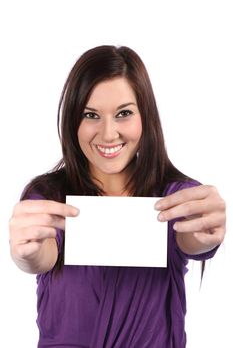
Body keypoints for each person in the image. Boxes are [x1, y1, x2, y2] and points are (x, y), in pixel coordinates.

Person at [9, 45, 226, 348]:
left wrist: (207, 236)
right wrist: (26, 254)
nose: (109, 133)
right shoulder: (49, 196)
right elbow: (42, 256)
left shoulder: (176, 196)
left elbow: (191, 239)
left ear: (145, 117)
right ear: (73, 121)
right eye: (91, 114)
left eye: (124, 113)